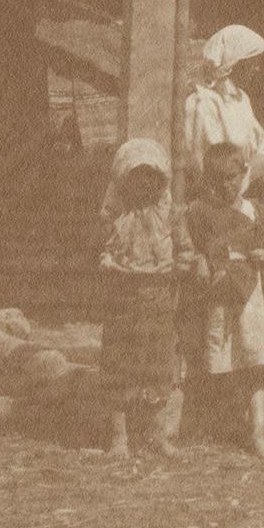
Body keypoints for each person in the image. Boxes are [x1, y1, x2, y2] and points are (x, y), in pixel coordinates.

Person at [177, 144, 264, 457]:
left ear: (243, 174)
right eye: (217, 180)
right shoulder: (200, 211)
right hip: (224, 297)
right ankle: (243, 428)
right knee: (234, 363)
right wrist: (201, 259)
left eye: (231, 177)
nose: (225, 186)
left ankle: (259, 431)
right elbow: (193, 247)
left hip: (254, 296)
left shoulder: (258, 212)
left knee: (257, 364)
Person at [97, 138, 181, 457]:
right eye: (137, 178)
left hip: (159, 298)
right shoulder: (114, 217)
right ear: (124, 181)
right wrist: (109, 263)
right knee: (120, 364)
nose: (144, 185)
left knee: (157, 365)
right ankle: (119, 436)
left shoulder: (168, 214)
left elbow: (183, 250)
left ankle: (155, 434)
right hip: (124, 298)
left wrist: (181, 264)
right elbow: (102, 251)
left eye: (151, 178)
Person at [183, 24, 264, 196]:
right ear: (234, 63)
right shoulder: (203, 103)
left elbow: (262, 147)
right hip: (220, 200)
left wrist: (262, 160)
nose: (257, 69)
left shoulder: (242, 99)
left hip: (248, 195)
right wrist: (253, 169)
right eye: (252, 63)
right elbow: (212, 168)